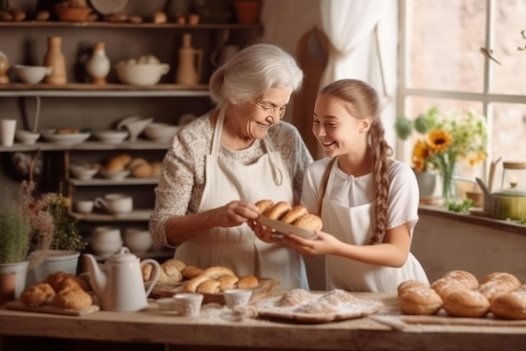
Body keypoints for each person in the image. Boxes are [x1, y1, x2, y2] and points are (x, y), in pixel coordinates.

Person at [149, 43, 313, 289]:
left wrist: (284, 230)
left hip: (281, 279)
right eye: (267, 105)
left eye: (282, 107)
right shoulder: (192, 142)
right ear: (235, 93)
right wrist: (213, 217)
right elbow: (161, 229)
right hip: (211, 282)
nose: (275, 118)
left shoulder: (285, 137)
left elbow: (311, 208)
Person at [281, 79, 429, 292]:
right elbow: (306, 234)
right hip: (343, 293)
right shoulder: (317, 173)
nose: (320, 132)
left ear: (364, 124)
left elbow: (398, 254)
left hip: (398, 294)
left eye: (331, 124)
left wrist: (337, 248)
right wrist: (275, 232)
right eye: (316, 121)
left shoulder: (399, 176)